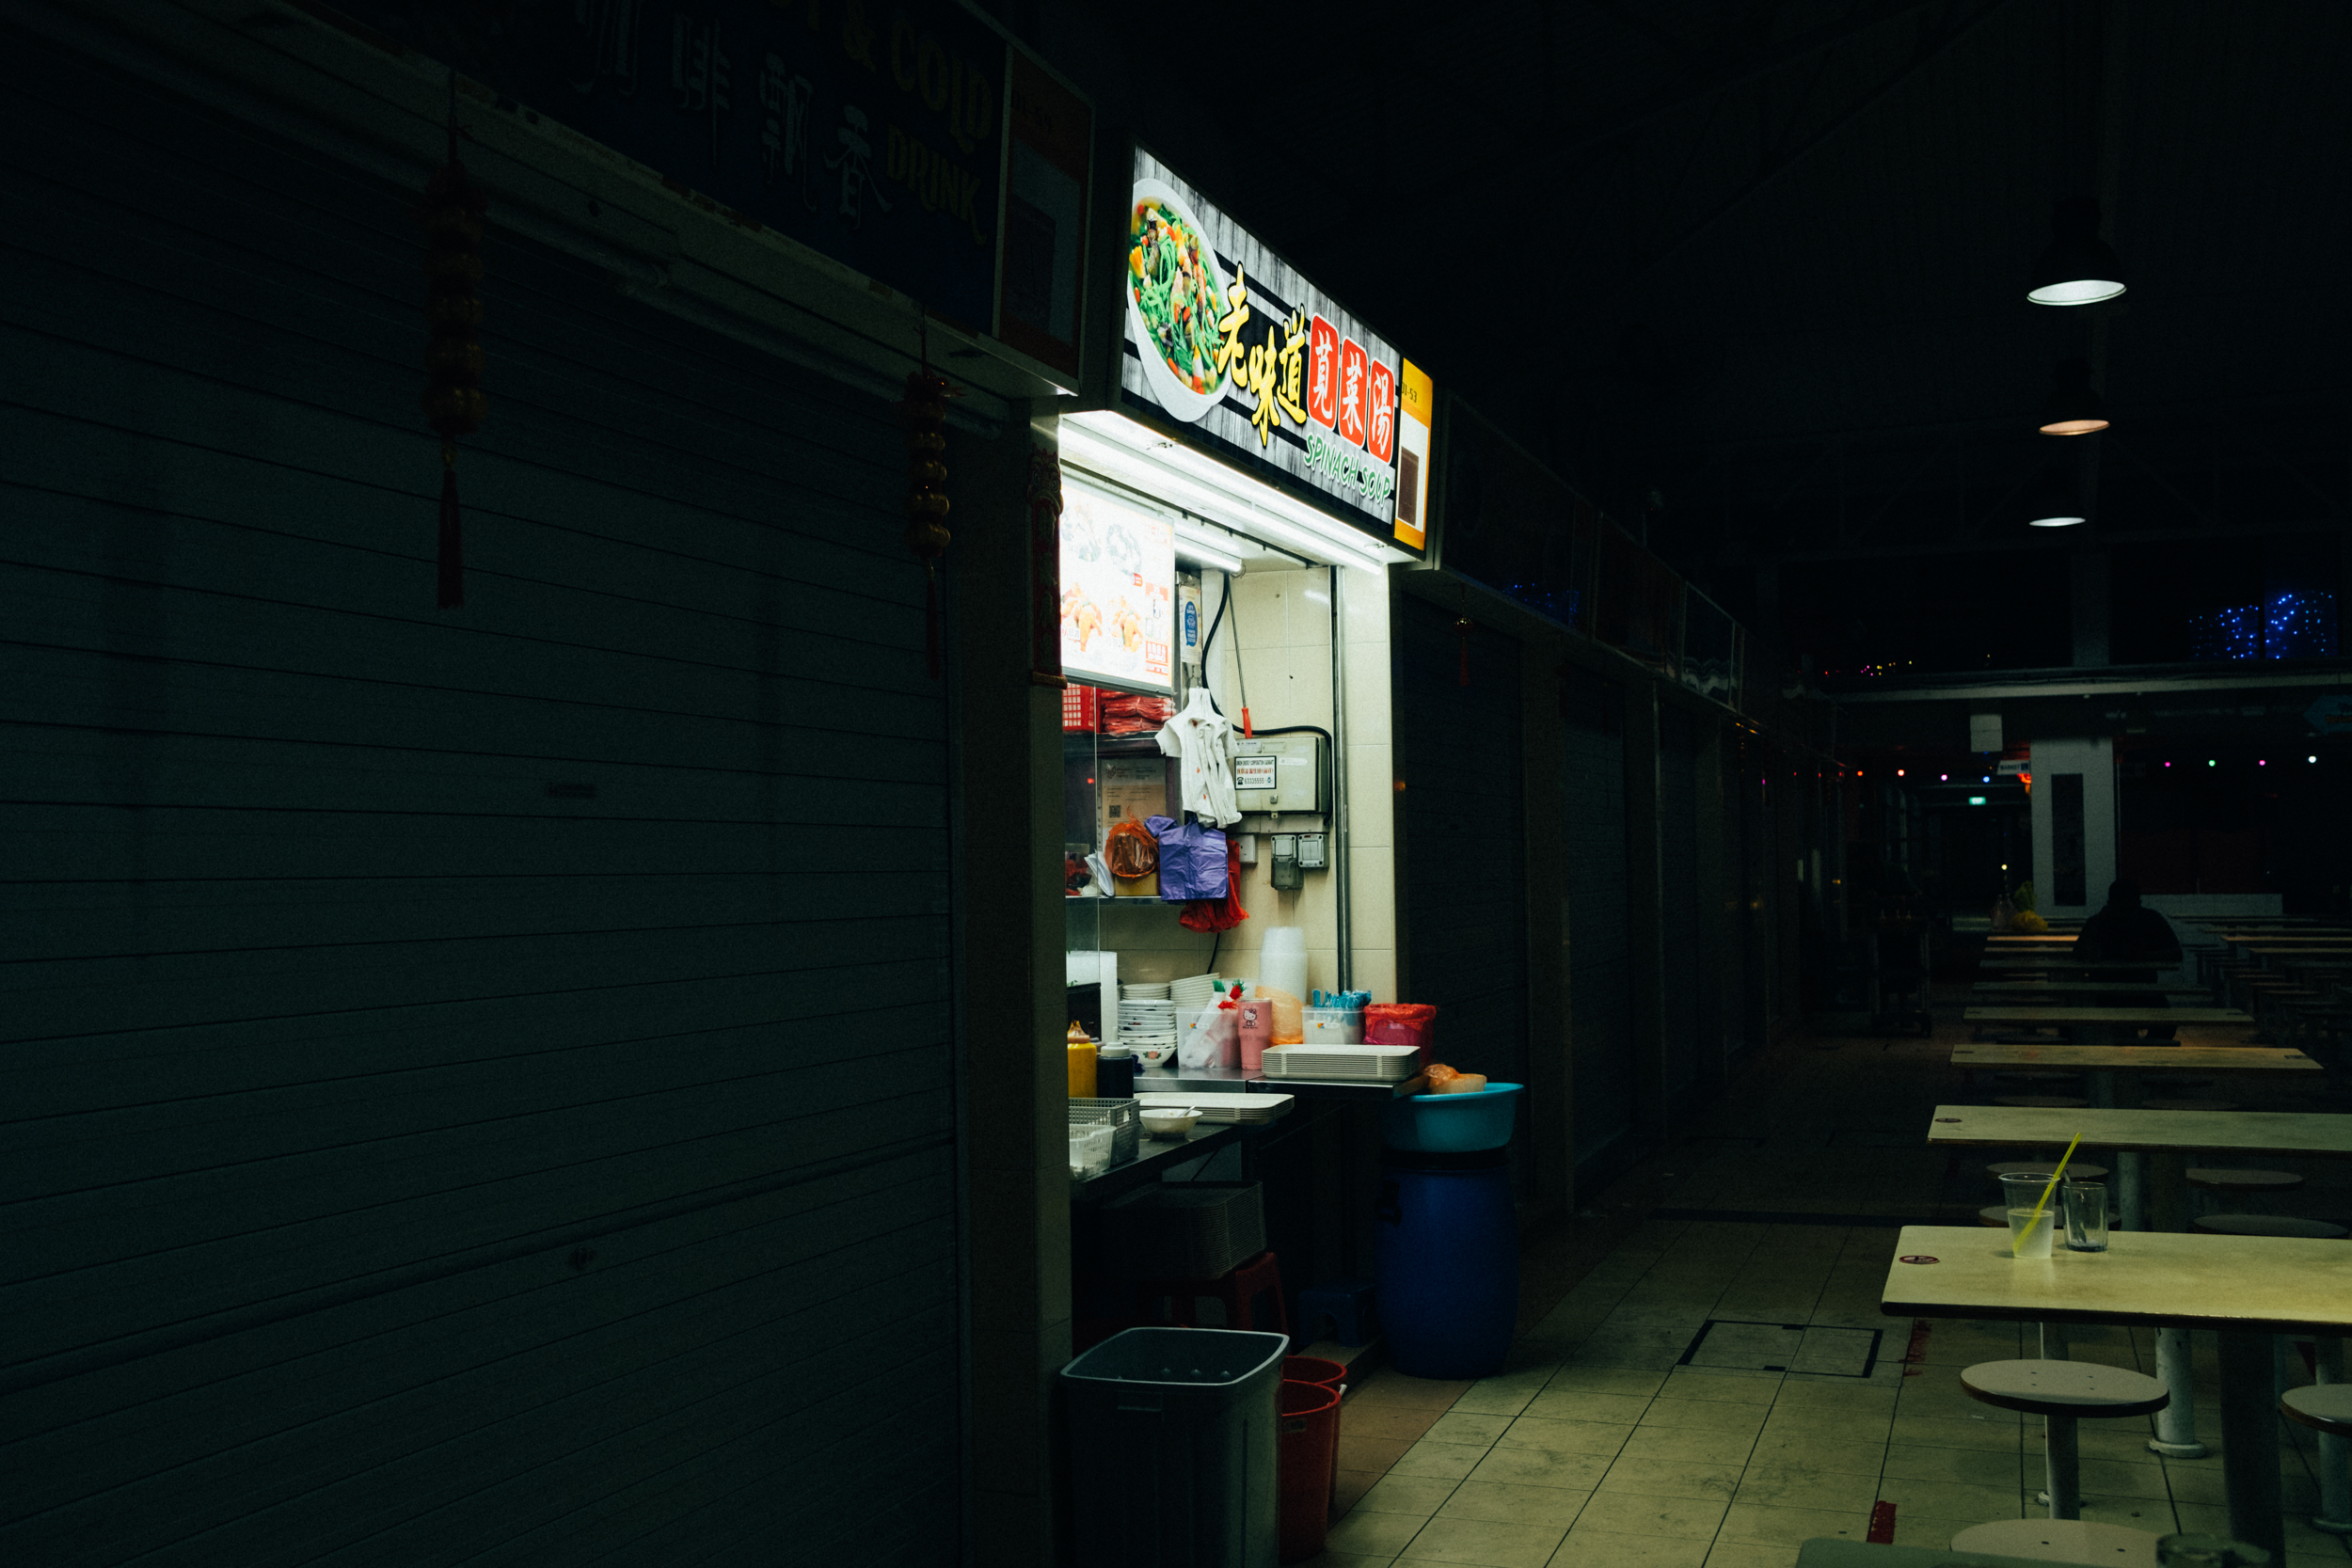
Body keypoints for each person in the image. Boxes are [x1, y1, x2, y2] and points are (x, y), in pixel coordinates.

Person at [2072, 879, 2182, 1040]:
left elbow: (2176, 953)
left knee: (2166, 1025)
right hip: (2124, 991)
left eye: (2128, 909)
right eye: (2121, 909)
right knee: (2164, 1025)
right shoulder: (2146, 919)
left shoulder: (2146, 919)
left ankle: (2139, 1052)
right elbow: (2078, 953)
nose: (2124, 916)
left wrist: (2142, 956)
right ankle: (2145, 1054)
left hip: (2123, 991)